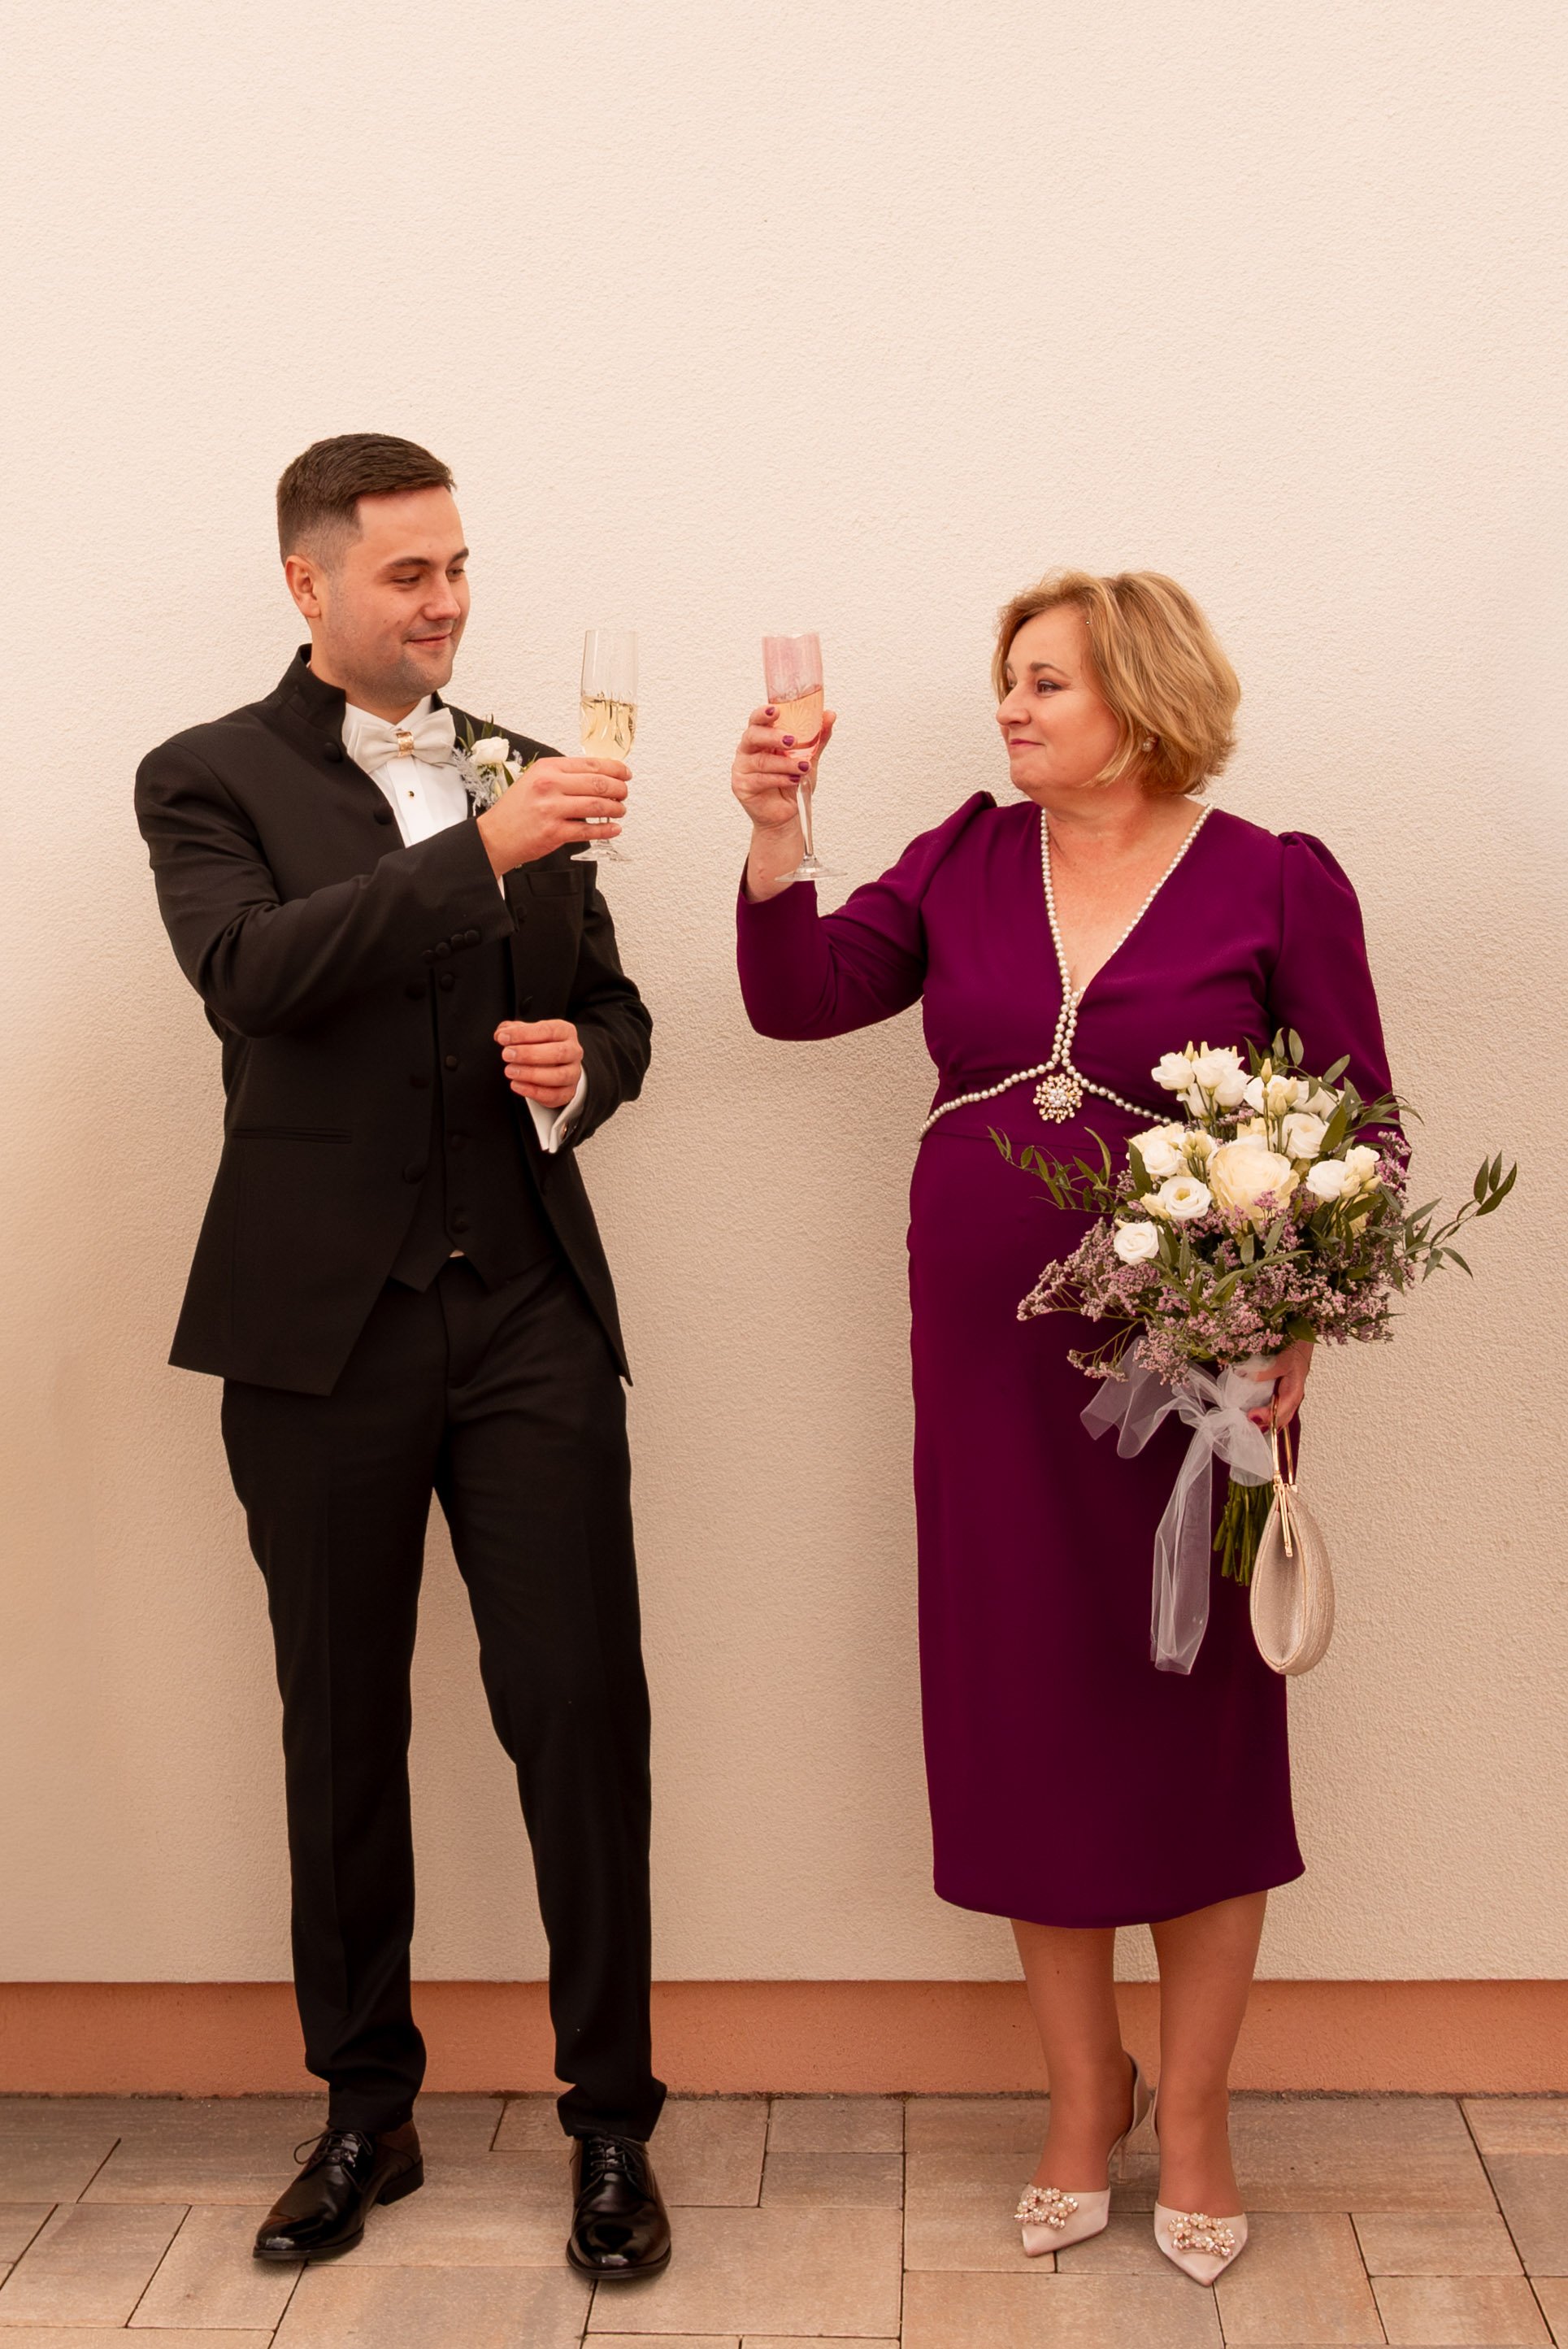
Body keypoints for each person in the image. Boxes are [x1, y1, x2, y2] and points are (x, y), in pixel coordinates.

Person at [731, 570, 1391, 2285]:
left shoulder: (1271, 876)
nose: (1008, 709)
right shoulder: (957, 854)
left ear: (1142, 694)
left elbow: (1364, 1128)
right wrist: (772, 831)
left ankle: (1196, 2117)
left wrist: (1294, 1317)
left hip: (1200, 1368)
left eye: (1045, 683)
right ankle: (1074, 2100)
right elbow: (799, 996)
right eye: (1004, 681)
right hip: (986, 1368)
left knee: (1196, 1711)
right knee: (1022, 1701)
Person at [135, 433, 671, 2282]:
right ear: (309, 585)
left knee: (581, 1710)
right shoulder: (204, 775)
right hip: (316, 1330)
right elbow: (256, 973)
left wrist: (582, 1071)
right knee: (340, 1724)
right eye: (406, 575)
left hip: (523, 1305)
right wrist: (483, 852)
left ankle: (614, 2123)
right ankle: (366, 2106)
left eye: (457, 568)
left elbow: (610, 1002)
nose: (444, 603)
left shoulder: (523, 761)